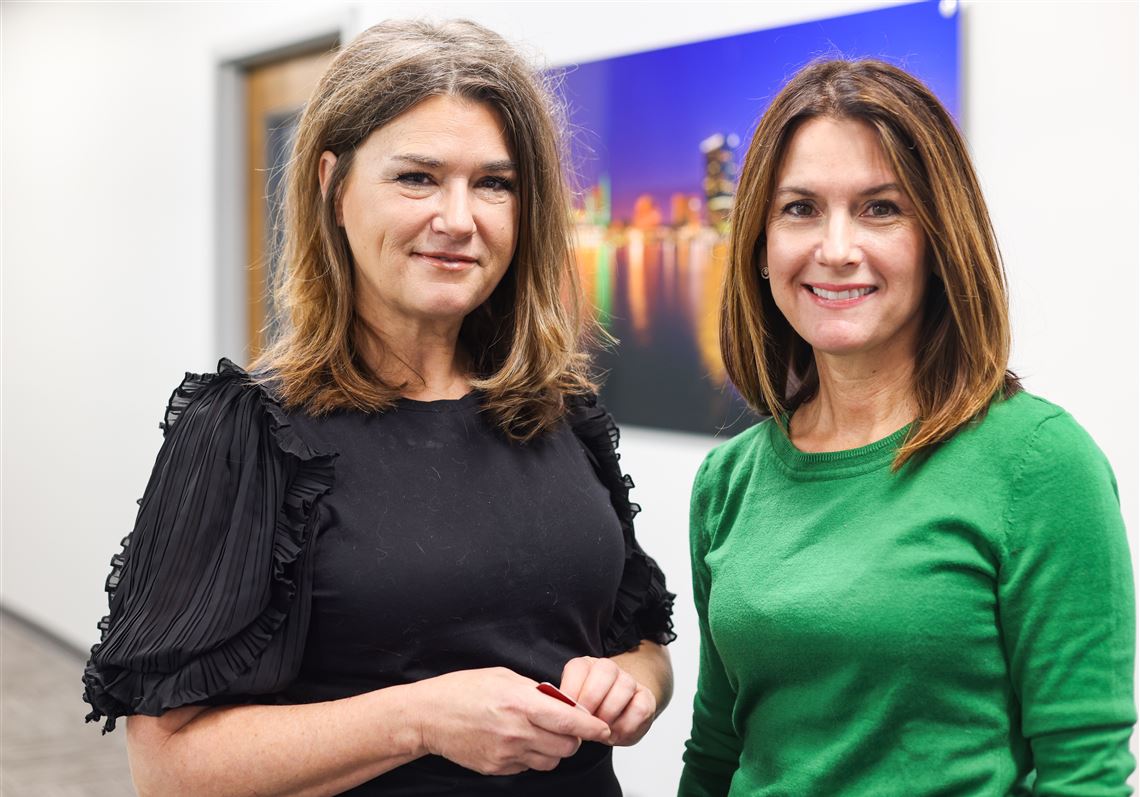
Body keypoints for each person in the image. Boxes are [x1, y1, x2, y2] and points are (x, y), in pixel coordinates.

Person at [83, 19, 675, 797]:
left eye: (494, 184)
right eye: (418, 177)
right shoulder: (250, 432)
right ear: (334, 185)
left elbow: (638, 640)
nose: (459, 219)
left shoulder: (559, 411)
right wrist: (421, 719)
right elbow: (170, 768)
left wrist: (634, 683)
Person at [679, 58, 1134, 796]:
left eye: (880, 208)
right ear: (761, 242)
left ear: (939, 238)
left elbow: (1085, 776)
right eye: (799, 208)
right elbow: (717, 745)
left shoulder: (1041, 463)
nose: (835, 248)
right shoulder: (728, 480)